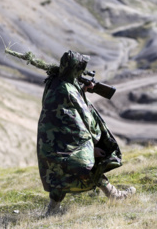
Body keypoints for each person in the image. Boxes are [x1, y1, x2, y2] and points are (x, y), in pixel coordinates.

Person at [37, 50, 136, 215]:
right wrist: (90, 149)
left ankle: (53, 209)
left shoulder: (54, 82)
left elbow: (68, 110)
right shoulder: (68, 90)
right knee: (88, 165)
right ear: (76, 70)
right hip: (67, 145)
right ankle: (115, 196)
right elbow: (83, 119)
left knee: (59, 173)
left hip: (50, 145)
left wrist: (82, 89)